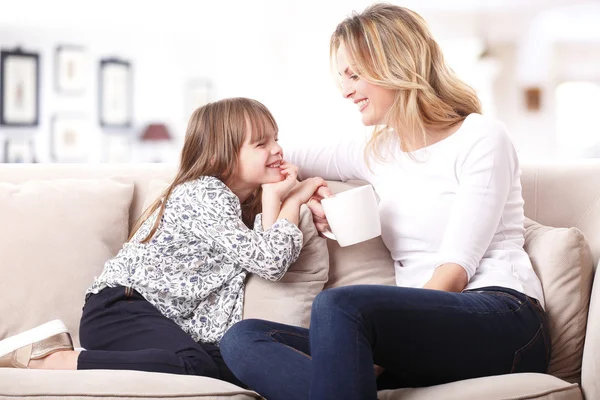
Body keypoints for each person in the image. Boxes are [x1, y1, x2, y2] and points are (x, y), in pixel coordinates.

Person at [219, 4, 551, 400]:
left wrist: (383, 344)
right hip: (419, 330)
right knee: (244, 338)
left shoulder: (482, 138)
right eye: (342, 77)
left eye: (354, 75)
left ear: (396, 66)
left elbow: (455, 271)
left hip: (501, 320)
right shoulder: (377, 151)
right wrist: (304, 190)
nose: (345, 90)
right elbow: (284, 157)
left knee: (338, 308)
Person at [0, 97, 326, 384]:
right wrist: (293, 201)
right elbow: (270, 262)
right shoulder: (203, 194)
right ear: (219, 157)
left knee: (235, 363)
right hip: (120, 311)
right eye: (261, 143)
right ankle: (52, 359)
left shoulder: (234, 205)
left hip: (154, 321)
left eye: (276, 139)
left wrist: (274, 198)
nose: (278, 150)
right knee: (194, 364)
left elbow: (266, 250)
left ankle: (337, 363)